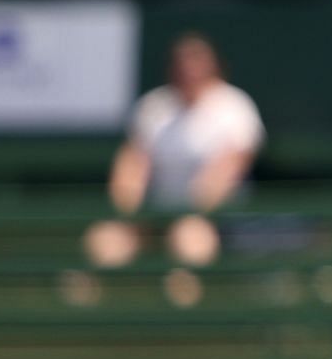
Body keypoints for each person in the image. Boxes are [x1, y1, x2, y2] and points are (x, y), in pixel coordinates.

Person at [94, 32, 264, 269]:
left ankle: (184, 300)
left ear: (213, 67)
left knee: (190, 239)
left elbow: (228, 169)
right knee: (106, 240)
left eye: (197, 63)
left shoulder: (235, 107)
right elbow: (132, 164)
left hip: (218, 219)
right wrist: (130, 215)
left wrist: (188, 213)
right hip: (156, 215)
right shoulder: (153, 107)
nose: (190, 71)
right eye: (183, 64)